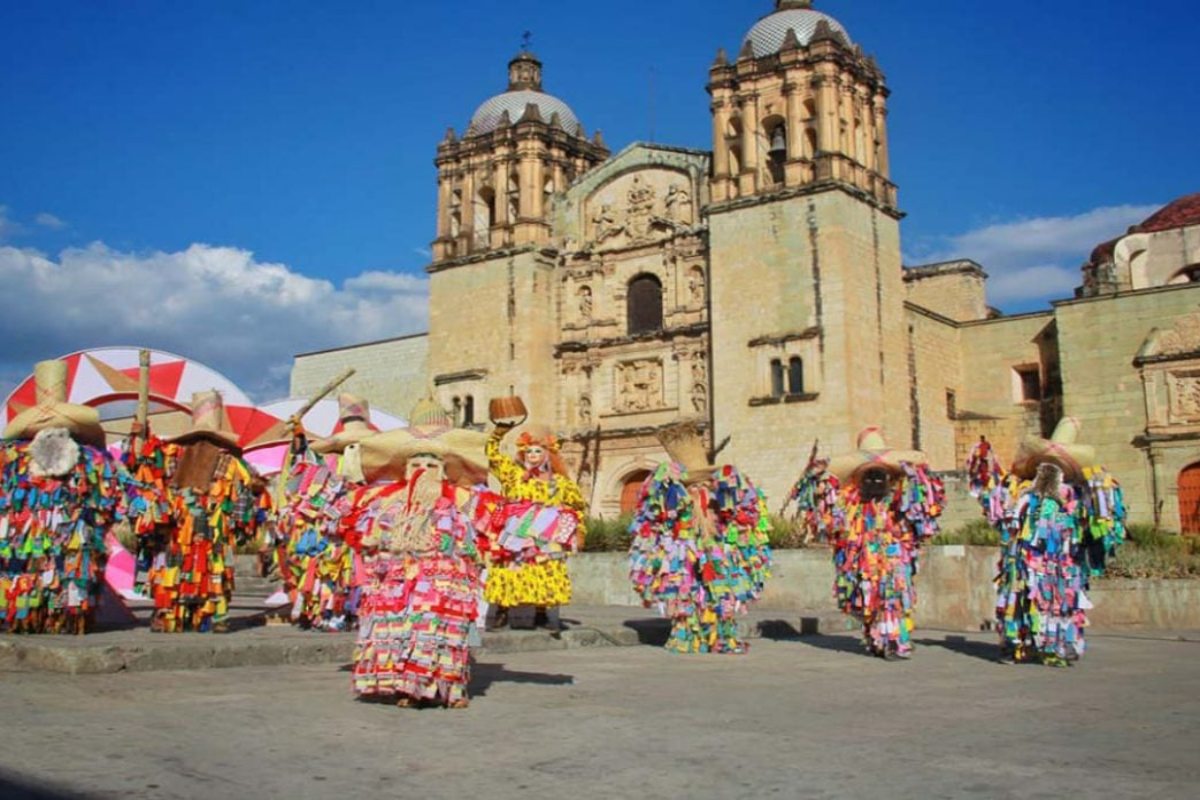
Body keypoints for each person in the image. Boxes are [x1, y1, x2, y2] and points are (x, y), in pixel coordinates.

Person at [347, 397, 489, 708]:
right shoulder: (387, 499)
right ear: (406, 469)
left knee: (441, 632)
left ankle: (450, 690)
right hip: (398, 580)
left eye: (431, 465)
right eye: (417, 465)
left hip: (445, 582)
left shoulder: (463, 498)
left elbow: (491, 524)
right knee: (403, 630)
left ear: (443, 470)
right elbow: (361, 529)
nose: (423, 471)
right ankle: (406, 688)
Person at [976, 418, 1126, 666]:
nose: (1049, 472)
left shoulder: (1077, 496)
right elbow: (1001, 516)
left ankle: (1060, 644)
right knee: (1020, 600)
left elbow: (1098, 519)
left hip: (1062, 561)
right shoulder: (1022, 493)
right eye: (1046, 467)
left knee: (1062, 601)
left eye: (1056, 467)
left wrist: (1100, 490)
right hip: (1023, 560)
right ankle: (1016, 644)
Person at [0, 359, 131, 634]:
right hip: (32, 539)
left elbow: (107, 498)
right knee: (30, 570)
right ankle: (36, 616)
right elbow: (109, 502)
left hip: (71, 539)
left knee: (66, 572)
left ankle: (52, 617)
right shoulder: (12, 458)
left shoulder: (90, 459)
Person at [791, 427, 944, 660]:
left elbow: (922, 506)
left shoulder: (899, 497)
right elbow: (828, 516)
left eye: (879, 474)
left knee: (892, 598)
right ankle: (876, 637)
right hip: (863, 561)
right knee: (867, 600)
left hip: (893, 557)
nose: (874, 479)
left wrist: (915, 477)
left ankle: (895, 640)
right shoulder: (849, 501)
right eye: (869, 474)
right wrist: (813, 478)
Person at [628, 422, 772, 654]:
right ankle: (686, 636)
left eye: (705, 484)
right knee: (684, 594)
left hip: (717, 556)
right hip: (684, 557)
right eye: (693, 486)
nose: (700, 490)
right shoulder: (675, 503)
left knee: (722, 595)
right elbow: (652, 515)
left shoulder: (720, 503)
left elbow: (747, 510)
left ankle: (722, 637)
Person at [138, 391, 270, 632]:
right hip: (180, 529)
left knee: (209, 570)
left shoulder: (230, 463)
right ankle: (175, 613)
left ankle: (208, 615)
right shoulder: (173, 455)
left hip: (211, 530)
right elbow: (151, 479)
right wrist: (141, 442)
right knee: (180, 568)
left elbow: (251, 491)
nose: (204, 446)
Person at [272, 393, 376, 631]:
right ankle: (333, 611)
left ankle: (360, 610)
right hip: (335, 531)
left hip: (368, 531)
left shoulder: (377, 465)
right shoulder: (327, 464)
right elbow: (304, 469)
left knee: (362, 567)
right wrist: (298, 435)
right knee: (334, 567)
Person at [481, 407, 587, 631]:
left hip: (546, 533)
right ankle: (501, 612)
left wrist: (575, 531)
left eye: (538, 452)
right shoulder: (514, 475)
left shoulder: (560, 483)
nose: (533, 456)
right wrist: (498, 433)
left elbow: (576, 507)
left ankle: (546, 615)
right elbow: (492, 455)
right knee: (510, 570)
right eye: (529, 452)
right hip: (517, 529)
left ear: (547, 455)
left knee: (547, 571)